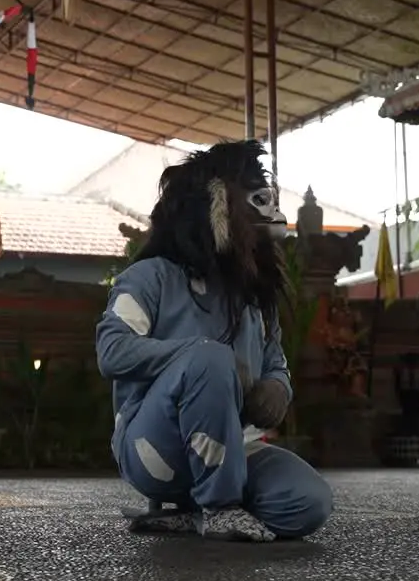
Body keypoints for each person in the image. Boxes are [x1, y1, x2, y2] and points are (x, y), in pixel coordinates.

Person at [97, 140, 332, 541]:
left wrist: (277, 388)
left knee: (308, 503)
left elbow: (276, 363)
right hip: (153, 448)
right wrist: (196, 354)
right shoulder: (150, 277)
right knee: (209, 360)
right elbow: (112, 351)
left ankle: (193, 514)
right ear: (215, 205)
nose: (271, 213)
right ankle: (220, 508)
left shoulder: (255, 298)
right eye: (257, 199)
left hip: (235, 448)